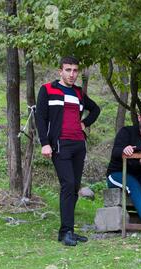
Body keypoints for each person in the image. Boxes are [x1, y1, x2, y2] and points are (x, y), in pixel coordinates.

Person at [35, 56, 101, 246]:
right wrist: (44, 143)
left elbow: (95, 109)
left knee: (74, 187)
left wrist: (84, 123)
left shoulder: (79, 92)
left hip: (79, 145)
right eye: (68, 70)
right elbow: (40, 118)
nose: (72, 74)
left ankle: (69, 230)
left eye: (75, 70)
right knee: (68, 184)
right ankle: (65, 232)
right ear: (60, 71)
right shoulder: (47, 89)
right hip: (59, 144)